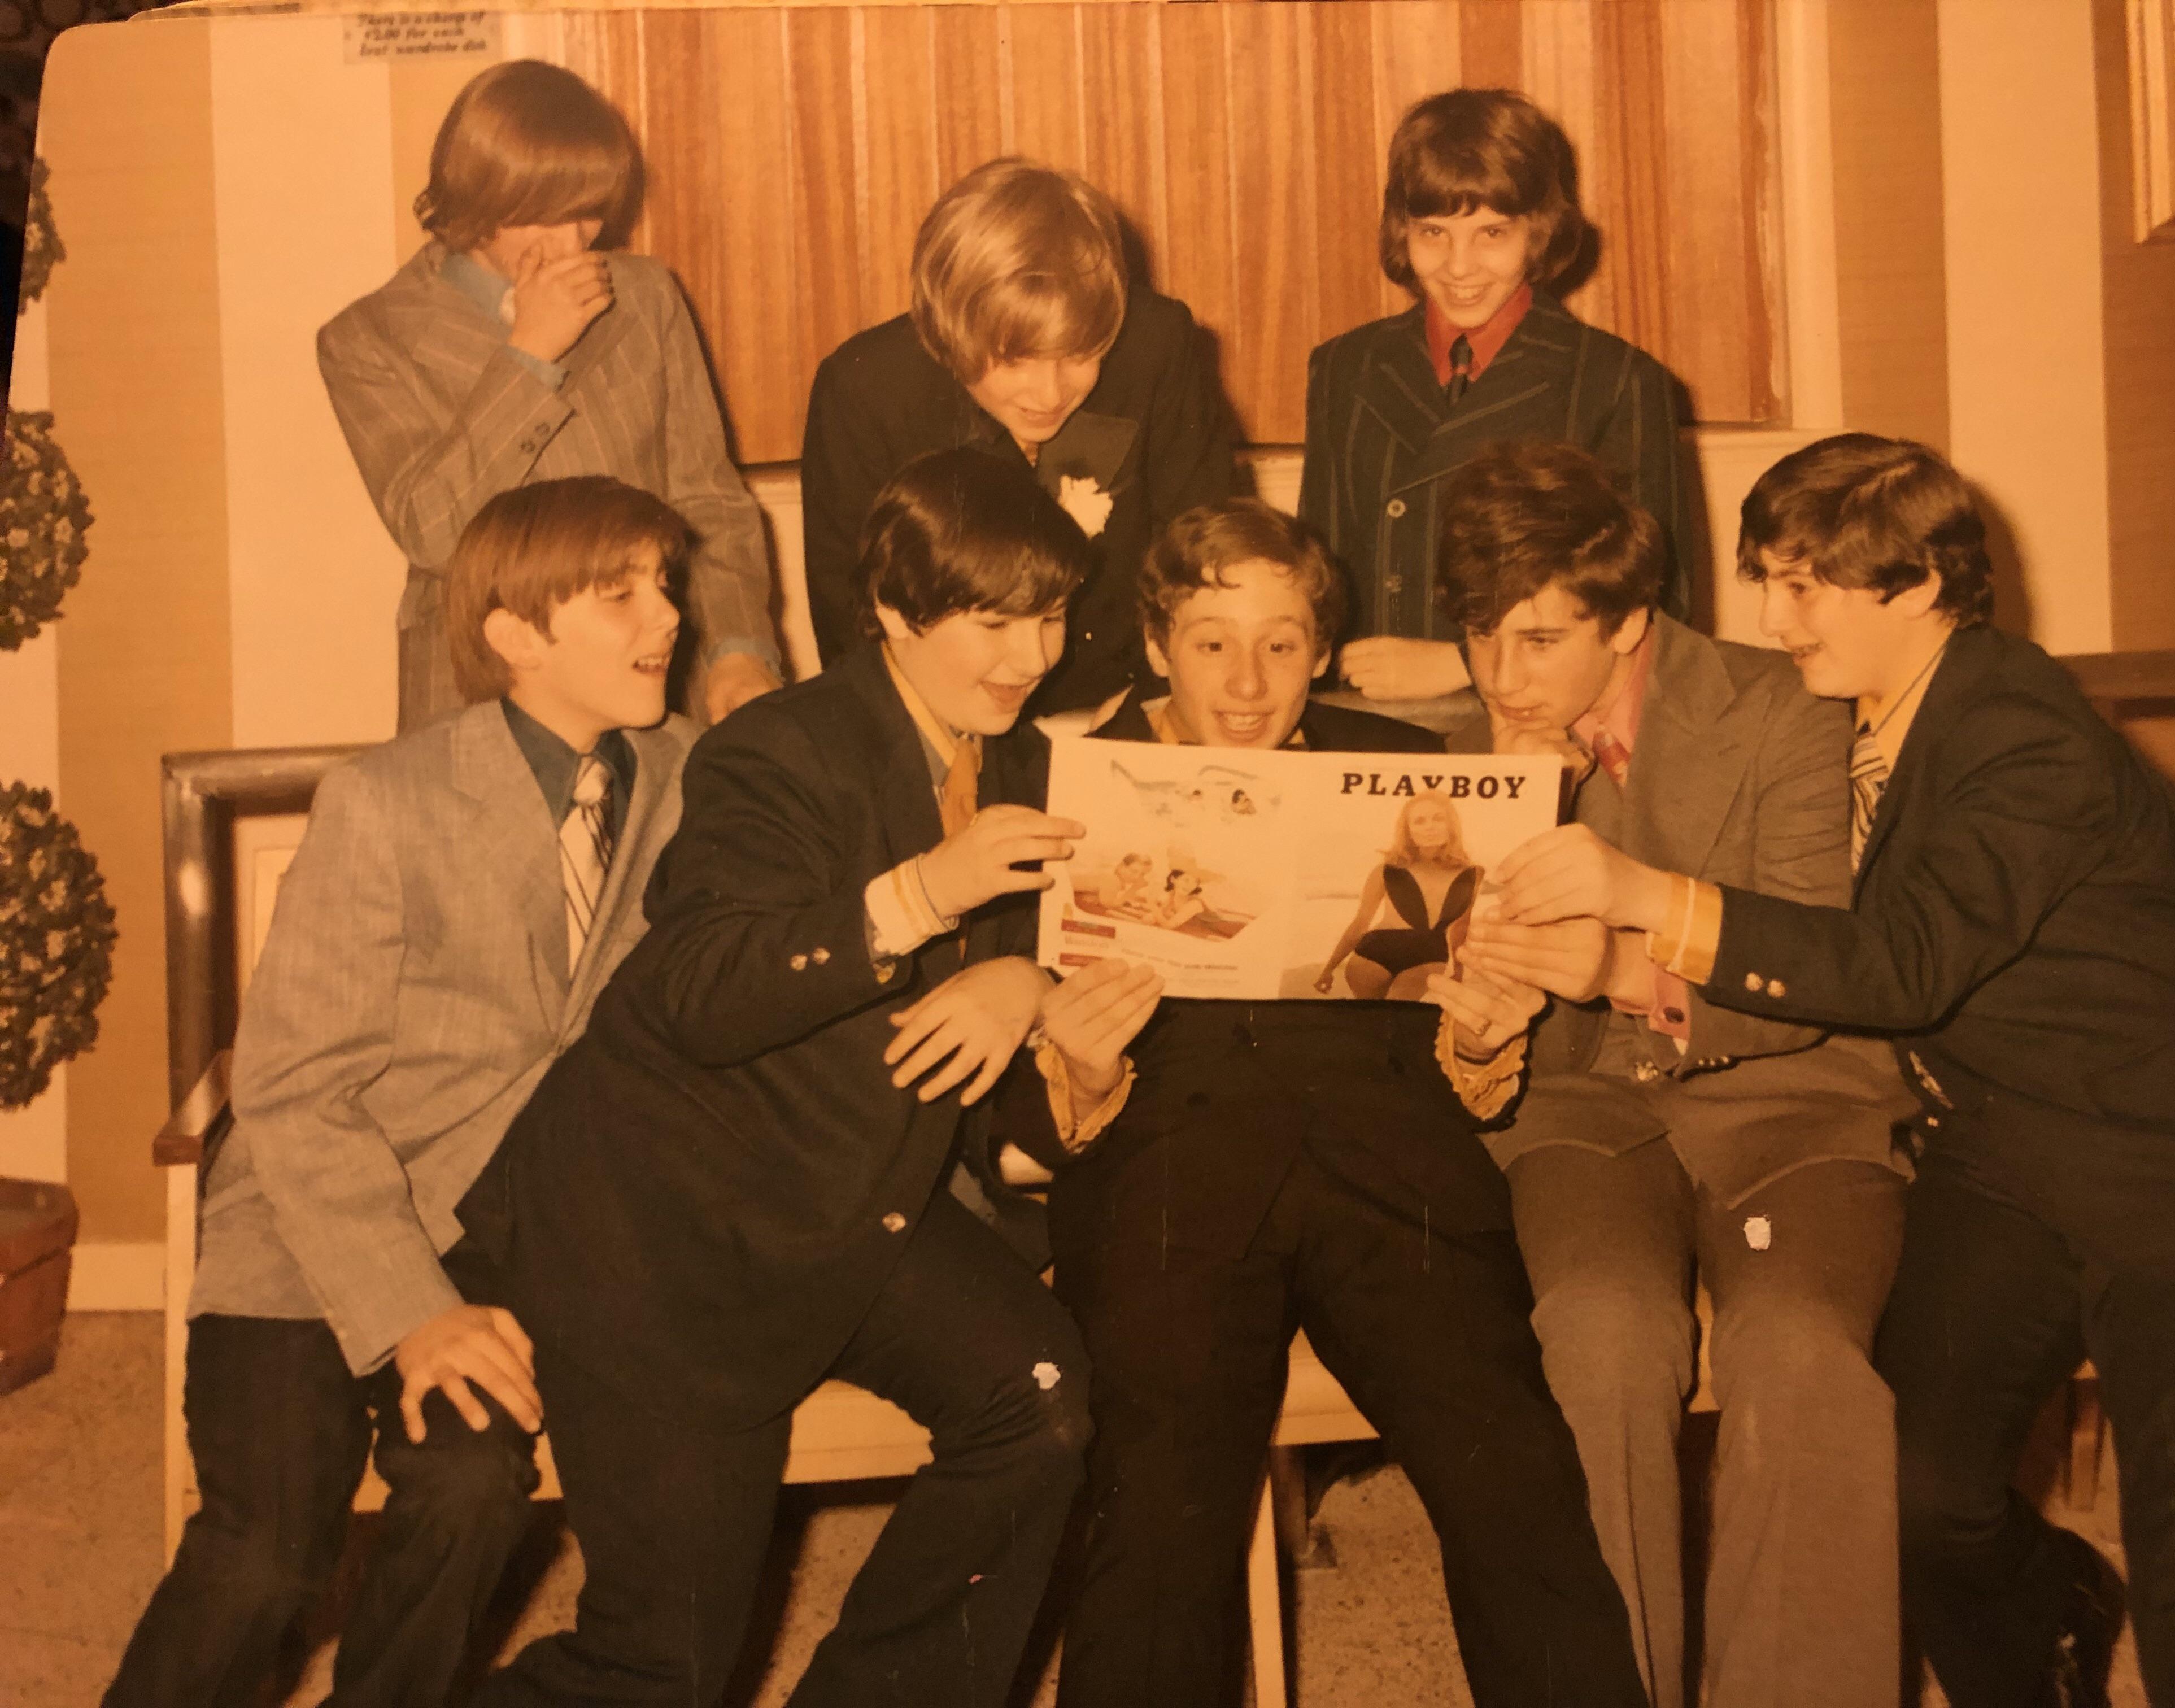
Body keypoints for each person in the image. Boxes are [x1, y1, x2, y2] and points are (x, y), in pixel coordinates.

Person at [1488, 433, 2175, 1708]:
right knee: (1905, 1493)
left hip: (2169, 1158)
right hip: (2005, 1150)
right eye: (1766, 579)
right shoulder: (1882, 719)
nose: (1770, 616)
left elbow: (1899, 965)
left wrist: (1648, 900)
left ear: (1916, 586)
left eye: (1805, 586)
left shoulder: (2022, 728)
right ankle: (2056, 1616)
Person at [455, 448, 1118, 1707]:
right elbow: (702, 990)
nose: (1032, 654)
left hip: (852, 1211)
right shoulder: (776, 751)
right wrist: (926, 895)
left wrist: (1030, 994)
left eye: (1050, 615)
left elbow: (986, 1090)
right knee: (662, 1670)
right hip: (658, 1225)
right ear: (892, 614)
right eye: (991, 621)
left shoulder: (1032, 772)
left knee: (1038, 1408)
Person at [1028, 495, 1647, 1708]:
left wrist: (1483, 1040)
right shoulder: (1074, 793)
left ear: (1321, 645)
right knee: (1158, 1507)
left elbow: (1460, 1053)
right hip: (1171, 1177)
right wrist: (1080, 1077)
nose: (1250, 681)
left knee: (1514, 1467)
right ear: (1157, 645)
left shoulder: (1407, 776)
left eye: (1282, 642)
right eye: (1212, 641)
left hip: (1390, 1174)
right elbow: (1010, 1059)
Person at [106, 476, 699, 1708]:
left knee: (477, 1488)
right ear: (514, 634)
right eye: (624, 593)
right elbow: (294, 1089)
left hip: (503, 1241)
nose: (669, 617)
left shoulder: (697, 779)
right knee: (267, 1557)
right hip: (309, 1232)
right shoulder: (389, 801)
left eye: (668, 585)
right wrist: (408, 1310)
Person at [1433, 439, 1915, 1708]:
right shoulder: (1458, 749)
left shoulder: (1784, 708)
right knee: (1598, 1336)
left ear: (1632, 619)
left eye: (1539, 641)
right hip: (1587, 1110)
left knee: (1798, 1348)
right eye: (1480, 635)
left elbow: (1811, 970)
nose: (1501, 672)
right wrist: (1508, 795)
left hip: (1794, 1101)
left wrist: (1624, 970)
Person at [318, 58, 781, 733]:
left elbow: (707, 502)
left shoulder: (646, 297)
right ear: (473, 199)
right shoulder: (367, 338)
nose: (571, 244)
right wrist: (528, 355)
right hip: (479, 698)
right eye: (540, 215)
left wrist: (739, 650)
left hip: (651, 686)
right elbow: (433, 531)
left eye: (588, 214)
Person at [1300, 86, 1693, 709]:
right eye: (1434, 232)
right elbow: (1312, 580)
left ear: (1539, 232)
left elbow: (1657, 611)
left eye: (1491, 233)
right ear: (1402, 232)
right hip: (1365, 715)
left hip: (1536, 721)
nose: (1460, 266)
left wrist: (1460, 661)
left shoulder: (1616, 380)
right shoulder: (1345, 367)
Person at [801, 156, 1237, 716]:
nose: (1050, 392)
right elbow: (854, 625)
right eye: (1015, 360)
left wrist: (1154, 717)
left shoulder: (1159, 345)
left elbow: (1205, 559)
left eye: (1081, 355)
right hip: (943, 720)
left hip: (1126, 701)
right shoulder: (865, 389)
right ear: (949, 331)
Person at [1314, 791, 1482, 999]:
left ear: (1451, 824)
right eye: (1419, 821)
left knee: (1402, 1018)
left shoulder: (1472, 874)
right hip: (1373, 953)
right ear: (1408, 830)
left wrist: (1458, 970)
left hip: (1429, 956)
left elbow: (1461, 927)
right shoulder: (1387, 870)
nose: (1429, 826)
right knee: (1370, 1021)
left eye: (1438, 818)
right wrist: (1329, 969)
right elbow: (1360, 923)